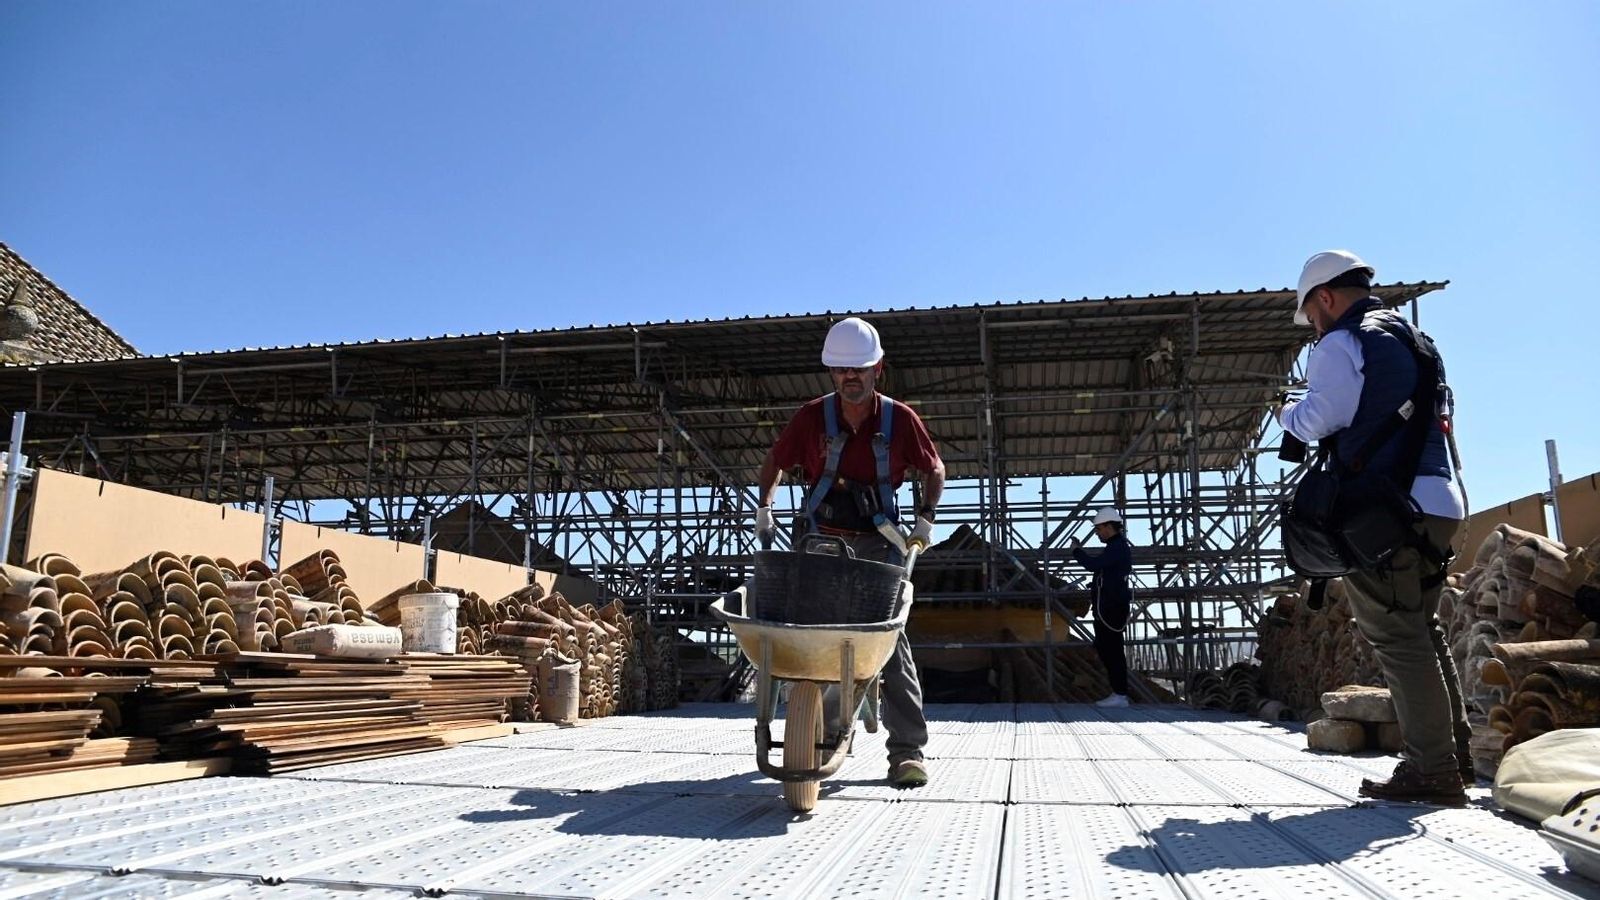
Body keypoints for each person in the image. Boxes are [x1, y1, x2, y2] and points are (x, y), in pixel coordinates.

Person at [1279, 249, 1472, 804]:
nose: (1314, 326)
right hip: (1440, 498)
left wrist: (1288, 414)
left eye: (1311, 314)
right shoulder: (1413, 339)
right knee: (1423, 629)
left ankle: (1432, 770)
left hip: (1384, 509)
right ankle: (1454, 758)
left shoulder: (1342, 341)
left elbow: (1324, 416)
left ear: (1325, 297)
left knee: (1398, 637)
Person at [755, 316, 945, 788]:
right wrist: (764, 506)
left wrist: (924, 518)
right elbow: (775, 462)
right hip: (819, 538)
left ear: (878, 367)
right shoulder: (811, 417)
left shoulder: (899, 420)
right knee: (810, 639)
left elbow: (934, 468)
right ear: (831, 372)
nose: (850, 378)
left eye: (859, 369)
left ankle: (907, 751)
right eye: (841, 371)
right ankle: (818, 730)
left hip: (879, 542)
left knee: (888, 641)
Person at [1070, 507, 1133, 707]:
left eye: (1099, 529)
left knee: (1112, 650)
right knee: (1106, 648)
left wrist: (1077, 552)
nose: (1097, 533)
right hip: (1108, 607)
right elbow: (1105, 571)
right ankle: (1118, 693)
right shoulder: (1116, 547)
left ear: (1108, 526)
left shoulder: (1118, 547)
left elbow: (1094, 565)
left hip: (1111, 608)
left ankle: (1120, 694)